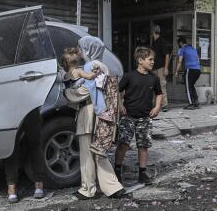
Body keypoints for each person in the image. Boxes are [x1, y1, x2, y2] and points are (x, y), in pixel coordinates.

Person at [65, 36, 125, 200]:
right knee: (99, 151)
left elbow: (85, 91)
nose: (79, 51)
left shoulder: (91, 66)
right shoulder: (103, 65)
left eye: (81, 47)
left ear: (88, 49)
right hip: (103, 114)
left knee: (87, 152)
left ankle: (88, 189)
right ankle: (113, 187)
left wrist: (67, 94)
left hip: (89, 113)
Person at [115, 47, 162, 185]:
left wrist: (157, 106)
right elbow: (117, 91)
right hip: (128, 116)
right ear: (140, 60)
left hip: (145, 118)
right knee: (123, 144)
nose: (153, 62)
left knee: (143, 146)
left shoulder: (154, 78)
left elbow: (159, 93)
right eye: (150, 59)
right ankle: (117, 171)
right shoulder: (129, 76)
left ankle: (142, 173)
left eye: (153, 59)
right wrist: (120, 105)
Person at [4, 108, 45, 203]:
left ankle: (39, 183)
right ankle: (11, 186)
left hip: (30, 106)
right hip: (12, 107)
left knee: (35, 144)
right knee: (12, 147)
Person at [175, 37, 201, 110]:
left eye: (178, 44)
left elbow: (180, 61)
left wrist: (176, 71)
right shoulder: (193, 49)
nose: (178, 45)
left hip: (190, 69)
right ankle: (196, 102)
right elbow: (198, 60)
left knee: (188, 87)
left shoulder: (182, 49)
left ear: (180, 43)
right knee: (191, 85)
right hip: (198, 70)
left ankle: (191, 104)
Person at [150, 24, 169, 112]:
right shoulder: (154, 42)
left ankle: (164, 105)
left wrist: (166, 68)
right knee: (154, 86)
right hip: (153, 68)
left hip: (161, 67)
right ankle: (155, 104)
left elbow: (167, 56)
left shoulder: (162, 41)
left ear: (153, 32)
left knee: (162, 85)